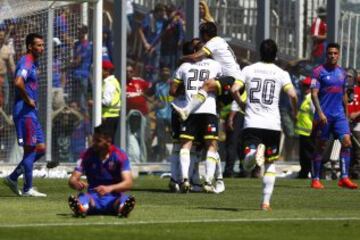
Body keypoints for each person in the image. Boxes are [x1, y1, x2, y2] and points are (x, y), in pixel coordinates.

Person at [231, 39, 298, 210]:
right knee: (270, 164)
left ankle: (252, 154)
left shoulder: (248, 69)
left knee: (247, 162)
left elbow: (233, 89)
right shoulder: (281, 73)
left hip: (252, 122)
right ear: (276, 55)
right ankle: (265, 202)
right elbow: (293, 95)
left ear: (259, 52)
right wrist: (295, 112)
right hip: (272, 125)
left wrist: (241, 104)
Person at [171, 40, 222, 193]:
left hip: (190, 110)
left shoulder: (184, 67)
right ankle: (208, 181)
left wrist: (186, 89)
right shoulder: (215, 65)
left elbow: (173, 91)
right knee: (211, 145)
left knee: (185, 145)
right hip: (208, 110)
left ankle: (184, 179)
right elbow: (221, 85)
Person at [3, 33, 47, 197]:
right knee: (30, 150)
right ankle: (28, 188)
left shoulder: (32, 63)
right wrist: (28, 99)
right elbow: (18, 82)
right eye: (39, 45)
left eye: (43, 45)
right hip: (24, 112)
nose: (42, 48)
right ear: (30, 46)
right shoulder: (26, 61)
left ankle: (13, 177)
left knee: (40, 149)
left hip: (31, 113)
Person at [172, 22, 243, 121]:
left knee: (207, 85)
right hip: (236, 81)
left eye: (201, 35)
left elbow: (197, 57)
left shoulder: (213, 43)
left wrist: (182, 58)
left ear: (205, 35)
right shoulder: (219, 41)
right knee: (213, 101)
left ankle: (186, 111)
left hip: (233, 80)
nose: (200, 38)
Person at [310, 43, 357, 189]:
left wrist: (347, 114)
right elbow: (313, 94)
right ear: (326, 54)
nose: (333, 56)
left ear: (339, 55)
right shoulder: (318, 72)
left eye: (335, 53)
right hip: (324, 116)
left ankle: (344, 177)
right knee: (321, 146)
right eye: (330, 53)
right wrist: (320, 112)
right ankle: (315, 179)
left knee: (347, 143)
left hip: (339, 116)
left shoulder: (342, 73)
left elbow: (343, 95)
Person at [68, 124, 135, 217]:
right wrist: (74, 183)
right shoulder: (87, 154)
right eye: (93, 140)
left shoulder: (120, 155)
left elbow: (129, 183)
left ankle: (122, 208)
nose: (94, 143)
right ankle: (82, 208)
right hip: (93, 197)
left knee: (124, 199)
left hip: (114, 197)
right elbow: (73, 179)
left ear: (108, 141)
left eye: (98, 141)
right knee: (83, 197)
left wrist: (109, 188)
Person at [295, 77, 314, 178]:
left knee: (307, 155)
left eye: (307, 86)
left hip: (309, 132)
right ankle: (304, 173)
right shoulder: (307, 98)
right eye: (304, 86)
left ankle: (305, 173)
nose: (304, 88)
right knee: (304, 155)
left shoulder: (311, 98)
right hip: (304, 132)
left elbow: (315, 114)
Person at [101, 60, 121, 141]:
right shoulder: (114, 81)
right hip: (112, 116)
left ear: (107, 71)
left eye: (101, 69)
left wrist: (94, 103)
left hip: (108, 116)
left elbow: (107, 101)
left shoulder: (108, 83)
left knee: (105, 142)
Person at [347, 70, 360, 179]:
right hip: (347, 124)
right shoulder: (348, 91)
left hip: (357, 124)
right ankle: (349, 172)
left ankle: (355, 172)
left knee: (357, 151)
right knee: (348, 149)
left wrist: (357, 113)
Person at [0, 29, 15, 110]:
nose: (0, 37)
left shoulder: (7, 50)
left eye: (2, 36)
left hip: (4, 76)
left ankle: (3, 116)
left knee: (6, 98)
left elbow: (12, 65)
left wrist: (16, 76)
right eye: (0, 35)